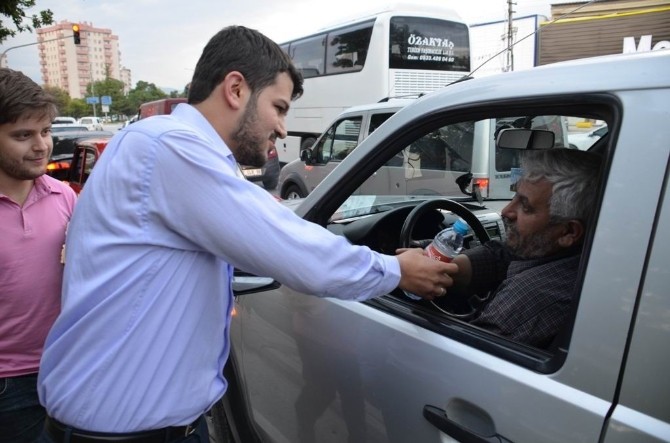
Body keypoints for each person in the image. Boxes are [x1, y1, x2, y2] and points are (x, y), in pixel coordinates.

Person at [36, 26, 454, 442]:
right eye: (279, 107)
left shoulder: (167, 147)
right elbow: (292, 250)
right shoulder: (170, 148)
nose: (284, 129)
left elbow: (250, 232)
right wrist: (397, 269)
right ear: (236, 88)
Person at [448, 148, 602, 348]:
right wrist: (443, 265)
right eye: (514, 197)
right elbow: (504, 256)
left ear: (569, 232)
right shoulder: (581, 257)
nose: (506, 211)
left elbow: (462, 359)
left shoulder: (529, 295)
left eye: (526, 207)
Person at [0, 68, 77, 442]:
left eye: (45, 131)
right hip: (8, 385)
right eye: (22, 135)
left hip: (67, 368)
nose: (41, 145)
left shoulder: (64, 197)